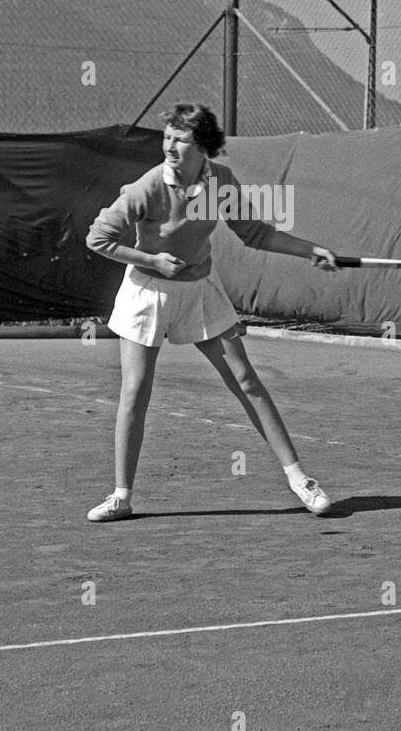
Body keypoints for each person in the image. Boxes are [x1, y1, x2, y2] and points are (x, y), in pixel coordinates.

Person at [84, 102, 339, 522]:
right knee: (136, 390)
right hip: (147, 292)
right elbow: (99, 238)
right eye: (166, 136)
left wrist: (310, 250)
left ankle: (300, 480)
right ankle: (121, 496)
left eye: (179, 139)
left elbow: (254, 232)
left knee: (246, 380)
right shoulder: (146, 188)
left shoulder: (219, 183)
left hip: (201, 290)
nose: (169, 145)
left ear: (202, 146)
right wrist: (152, 261)